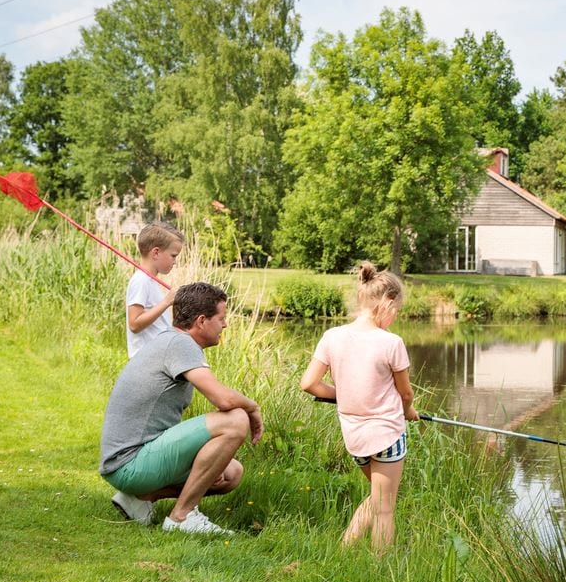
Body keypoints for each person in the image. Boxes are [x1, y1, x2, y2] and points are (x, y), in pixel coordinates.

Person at [100, 282, 264, 534]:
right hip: (129, 462)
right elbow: (224, 401)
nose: (225, 325)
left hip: (128, 462)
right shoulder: (181, 344)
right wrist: (253, 408)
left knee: (231, 473)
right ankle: (181, 518)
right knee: (236, 420)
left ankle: (142, 498)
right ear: (201, 321)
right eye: (221, 318)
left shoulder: (171, 341)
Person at [299, 262, 419, 553]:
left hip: (355, 439)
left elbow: (309, 384)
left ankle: (345, 550)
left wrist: (345, 395)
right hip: (387, 435)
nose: (396, 317)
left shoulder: (332, 336)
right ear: (387, 304)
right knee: (385, 508)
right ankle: (380, 566)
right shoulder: (391, 342)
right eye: (397, 310)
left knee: (378, 497)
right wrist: (410, 412)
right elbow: (405, 394)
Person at [126, 221, 184, 358]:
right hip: (145, 360)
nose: (175, 261)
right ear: (156, 253)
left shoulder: (150, 281)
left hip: (156, 357)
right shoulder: (141, 281)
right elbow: (134, 324)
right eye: (173, 256)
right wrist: (166, 302)